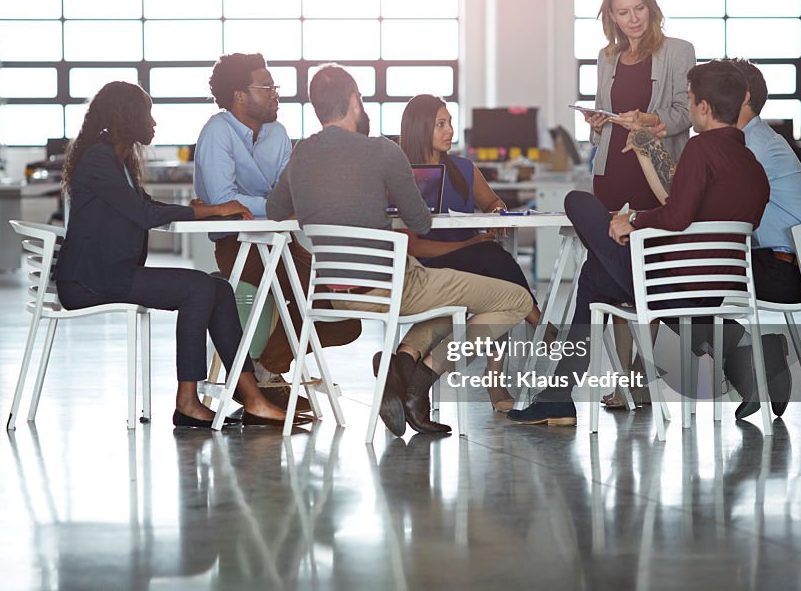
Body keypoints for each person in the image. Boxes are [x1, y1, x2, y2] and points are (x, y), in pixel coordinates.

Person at [508, 60, 790, 426]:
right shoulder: (753, 166)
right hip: (723, 288)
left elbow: (676, 217)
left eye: (689, 100)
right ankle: (558, 396)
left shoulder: (702, 149)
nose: (688, 109)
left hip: (674, 286)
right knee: (594, 277)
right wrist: (636, 220)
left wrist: (632, 220)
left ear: (704, 107)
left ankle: (559, 399)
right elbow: (699, 220)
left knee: (577, 202)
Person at [267, 64, 533, 436]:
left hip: (334, 295)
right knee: (515, 300)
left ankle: (404, 363)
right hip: (395, 287)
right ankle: (425, 376)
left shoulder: (301, 155)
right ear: (354, 101)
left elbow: (275, 211)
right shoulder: (383, 152)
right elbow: (421, 222)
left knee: (456, 303)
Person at [53, 81, 299, 429]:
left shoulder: (114, 158)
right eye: (147, 114)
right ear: (127, 117)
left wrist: (204, 210)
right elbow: (144, 215)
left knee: (219, 288)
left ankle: (252, 398)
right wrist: (213, 210)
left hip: (109, 274)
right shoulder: (99, 158)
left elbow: (144, 206)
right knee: (198, 288)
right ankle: (188, 402)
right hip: (91, 281)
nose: (153, 123)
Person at [194, 53, 360, 410]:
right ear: (240, 95)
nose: (275, 94)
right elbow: (225, 202)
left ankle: (265, 367)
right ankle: (263, 378)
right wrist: (271, 204)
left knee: (347, 319)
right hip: (238, 246)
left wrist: (265, 203)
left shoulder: (278, 134)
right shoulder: (216, 132)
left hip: (282, 242)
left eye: (274, 87)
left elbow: (289, 195)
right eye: (266, 87)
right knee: (323, 295)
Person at [398, 94, 546, 412]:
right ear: (420, 128)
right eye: (440, 124)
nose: (450, 130)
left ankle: (503, 366)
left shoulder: (463, 169)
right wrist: (469, 244)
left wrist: (497, 213)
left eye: (450, 122)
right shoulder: (403, 175)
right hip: (430, 262)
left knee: (494, 269)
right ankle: (537, 323)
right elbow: (411, 245)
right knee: (492, 261)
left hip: (473, 258)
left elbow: (493, 203)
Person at [584, 0, 696, 212]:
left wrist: (649, 119)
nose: (633, 19)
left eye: (639, 8)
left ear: (651, 8)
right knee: (608, 246)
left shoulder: (679, 51)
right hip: (610, 174)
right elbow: (601, 119)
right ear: (612, 16)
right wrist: (596, 125)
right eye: (623, 12)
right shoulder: (607, 57)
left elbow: (688, 114)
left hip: (657, 177)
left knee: (654, 247)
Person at [729, 58, 801, 304]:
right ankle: (747, 343)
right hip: (783, 267)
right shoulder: (757, 138)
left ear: (744, 97)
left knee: (670, 278)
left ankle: (745, 344)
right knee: (676, 274)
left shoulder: (752, 146)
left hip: (781, 273)